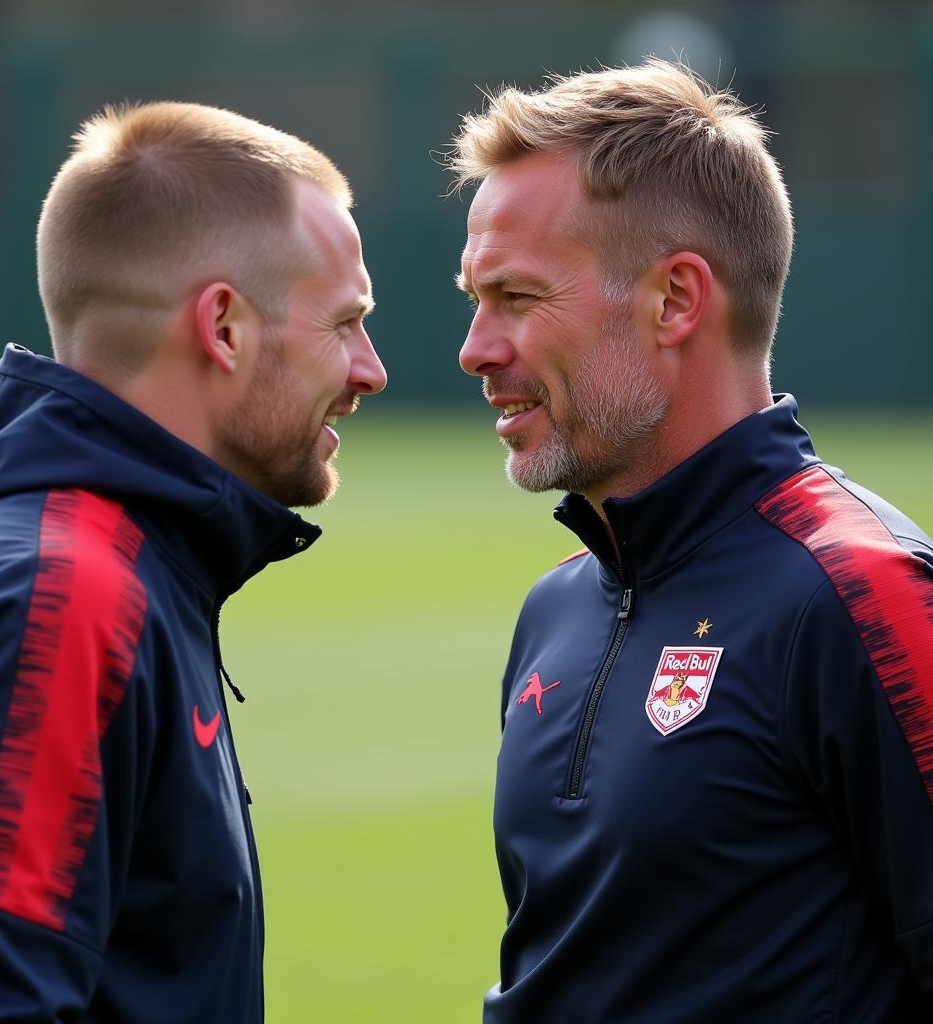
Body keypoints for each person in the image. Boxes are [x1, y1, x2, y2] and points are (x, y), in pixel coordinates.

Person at [449, 59, 933, 1022]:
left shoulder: (863, 593)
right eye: (472, 297)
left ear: (675, 300)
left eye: (517, 297)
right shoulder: (556, 607)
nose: (475, 348)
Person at [0, 101, 385, 1022]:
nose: (370, 368)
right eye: (345, 322)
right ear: (225, 328)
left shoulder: (100, 558)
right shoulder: (65, 592)